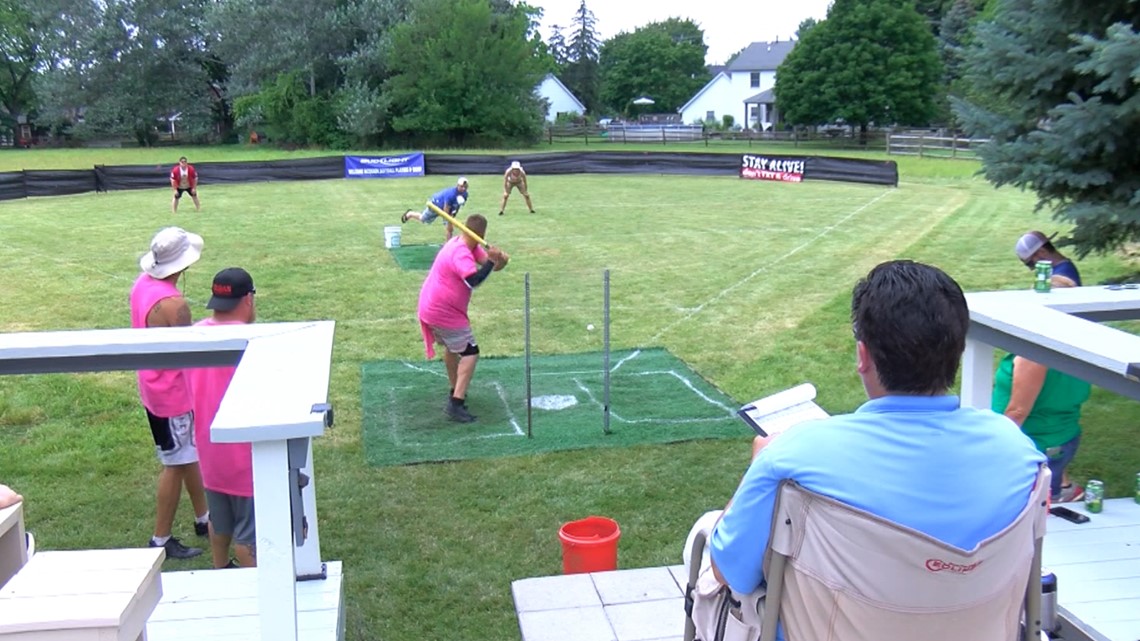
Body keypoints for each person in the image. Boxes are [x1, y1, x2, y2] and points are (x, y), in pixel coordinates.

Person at [705, 261, 1044, 640]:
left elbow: (728, 571)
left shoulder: (794, 454)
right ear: (957, 351)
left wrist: (758, 466)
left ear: (863, 355)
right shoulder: (1018, 453)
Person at [130, 226, 210, 559]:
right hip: (173, 393)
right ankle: (160, 539)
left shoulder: (142, 285)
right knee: (175, 464)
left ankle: (204, 517)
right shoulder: (174, 304)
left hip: (153, 385)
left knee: (187, 455)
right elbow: (191, 349)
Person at [992, 275, 1090, 503]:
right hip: (1062, 437)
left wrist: (993, 447)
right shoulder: (1079, 345)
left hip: (1033, 444)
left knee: (1027, 509)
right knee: (1048, 497)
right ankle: (1063, 491)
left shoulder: (1036, 354)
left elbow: (1017, 411)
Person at [187, 268, 258, 569]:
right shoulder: (251, 342)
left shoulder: (194, 334)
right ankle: (253, 591)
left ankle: (219, 572)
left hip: (209, 450)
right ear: (249, 300)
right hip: (244, 456)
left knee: (220, 520)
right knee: (249, 536)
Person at [417, 214, 510, 423]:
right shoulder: (460, 252)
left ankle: (455, 389)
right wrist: (493, 261)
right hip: (441, 311)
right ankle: (456, 403)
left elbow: (489, 267)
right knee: (470, 351)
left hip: (434, 307)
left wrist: (499, 261)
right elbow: (474, 280)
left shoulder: (466, 243)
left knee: (453, 348)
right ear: (481, 235)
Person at [402, 177, 469, 240]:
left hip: (447, 208)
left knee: (449, 228)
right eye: (461, 186)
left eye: (465, 187)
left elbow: (457, 207)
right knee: (423, 219)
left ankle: (448, 246)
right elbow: (446, 208)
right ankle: (409, 214)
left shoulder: (465, 195)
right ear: (457, 185)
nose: (463, 188)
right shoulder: (451, 194)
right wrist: (449, 219)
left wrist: (453, 216)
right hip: (435, 205)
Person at [1015, 230, 1081, 285]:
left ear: (1042, 252)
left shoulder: (1062, 274)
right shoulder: (1063, 268)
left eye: (1030, 263)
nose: (1033, 268)